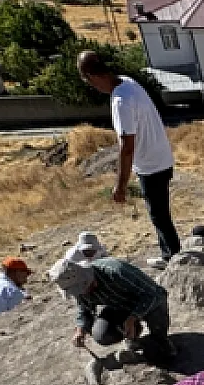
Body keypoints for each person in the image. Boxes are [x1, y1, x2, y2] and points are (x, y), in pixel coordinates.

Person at [76, 50, 180, 266]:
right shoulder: (128, 82)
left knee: (159, 215)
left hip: (151, 165)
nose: (92, 87)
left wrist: (120, 186)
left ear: (92, 76)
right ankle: (169, 253)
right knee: (160, 213)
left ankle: (173, 257)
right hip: (162, 157)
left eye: (88, 82)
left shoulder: (121, 101)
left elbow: (126, 147)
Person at [52, 255, 174, 363]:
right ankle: (133, 334)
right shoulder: (80, 290)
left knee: (157, 311)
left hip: (146, 300)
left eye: (82, 288)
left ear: (86, 278)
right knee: (101, 334)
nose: (82, 293)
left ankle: (160, 339)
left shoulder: (116, 272)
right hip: (118, 306)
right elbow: (84, 309)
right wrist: (80, 330)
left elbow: (154, 294)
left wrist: (132, 318)